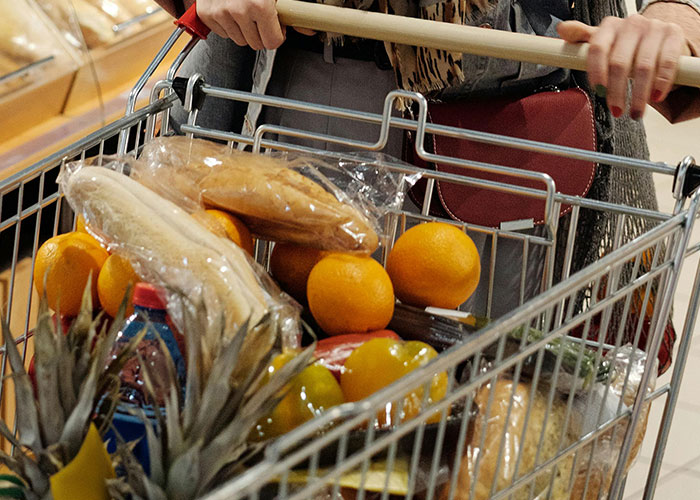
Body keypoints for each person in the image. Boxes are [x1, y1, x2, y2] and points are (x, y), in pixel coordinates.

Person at [155, 0, 698, 356]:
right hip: (289, 96)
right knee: (279, 381)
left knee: (486, 402)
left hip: (503, 144)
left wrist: (676, 23)